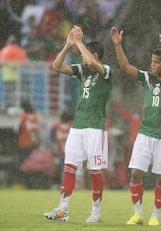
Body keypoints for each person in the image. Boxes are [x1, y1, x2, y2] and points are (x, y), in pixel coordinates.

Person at [111, 26, 161, 226]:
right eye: (151, 61)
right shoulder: (147, 79)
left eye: (155, 62)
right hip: (144, 134)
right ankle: (138, 213)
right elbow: (125, 67)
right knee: (135, 173)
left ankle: (156, 216)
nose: (152, 65)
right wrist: (118, 45)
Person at [44, 25, 113, 223]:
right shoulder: (83, 72)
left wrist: (80, 42)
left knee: (94, 171)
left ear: (96, 54)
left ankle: (96, 213)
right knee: (69, 167)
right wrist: (68, 45)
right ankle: (62, 210)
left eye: (87, 53)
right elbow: (56, 66)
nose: (83, 57)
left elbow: (90, 60)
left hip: (95, 128)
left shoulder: (106, 71)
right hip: (78, 126)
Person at [12, 100, 41, 188]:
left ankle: (23, 184)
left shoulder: (22, 117)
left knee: (23, 166)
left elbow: (15, 130)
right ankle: (33, 184)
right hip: (35, 146)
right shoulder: (37, 116)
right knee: (35, 166)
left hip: (24, 145)